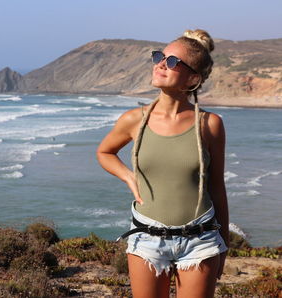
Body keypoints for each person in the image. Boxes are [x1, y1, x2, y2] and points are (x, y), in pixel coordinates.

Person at [97, 29, 229, 298]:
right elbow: (105, 152)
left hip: (200, 240)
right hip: (146, 237)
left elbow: (217, 186)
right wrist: (128, 176)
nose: (160, 63)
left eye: (171, 61)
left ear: (193, 78)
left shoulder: (209, 124)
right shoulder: (134, 119)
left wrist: (223, 245)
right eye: (159, 56)